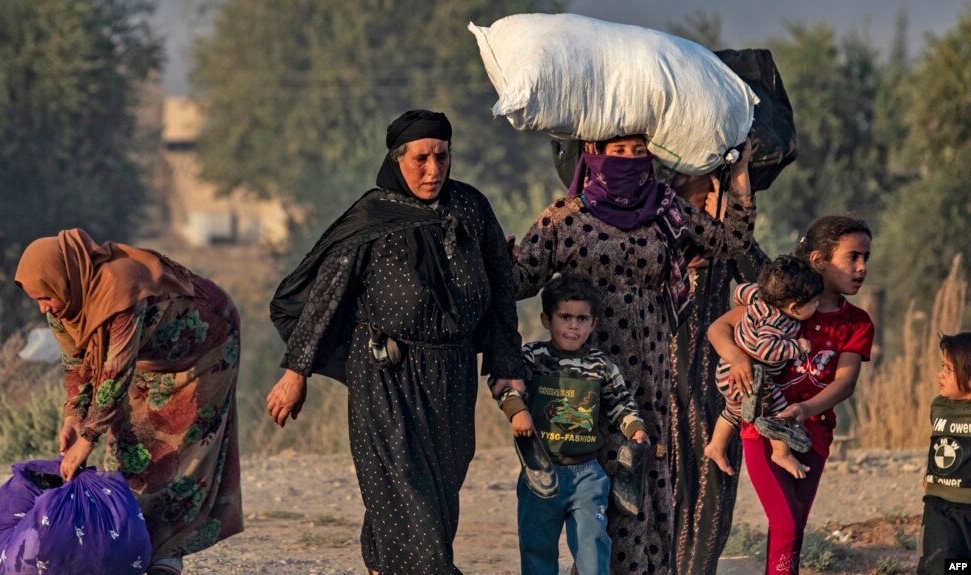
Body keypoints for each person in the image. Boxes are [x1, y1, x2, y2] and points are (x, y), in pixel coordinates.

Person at [267, 109, 524, 575]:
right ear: (397, 158)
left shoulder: (470, 206)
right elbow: (326, 297)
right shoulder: (371, 217)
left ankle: (383, 567)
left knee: (440, 495)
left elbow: (500, 287)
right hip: (386, 376)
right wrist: (294, 373)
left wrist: (507, 363)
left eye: (442, 157)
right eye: (421, 158)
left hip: (454, 372)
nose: (433, 170)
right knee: (406, 489)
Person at [510, 133, 756, 574]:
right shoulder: (565, 218)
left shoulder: (666, 209)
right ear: (593, 155)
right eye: (618, 152)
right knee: (595, 484)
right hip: (586, 378)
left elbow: (729, 242)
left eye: (639, 152)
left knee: (643, 474)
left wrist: (739, 174)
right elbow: (520, 280)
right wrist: (492, 254)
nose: (629, 161)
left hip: (651, 369)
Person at [14, 229, 243, 575]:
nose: (43, 307)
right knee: (126, 447)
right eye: (37, 299)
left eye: (45, 297)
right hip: (150, 358)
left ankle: (167, 556)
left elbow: (116, 372)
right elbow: (76, 362)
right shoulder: (64, 300)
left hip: (205, 348)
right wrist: (74, 416)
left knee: (176, 451)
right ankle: (135, 547)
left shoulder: (121, 290)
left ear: (63, 279)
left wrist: (87, 440)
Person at [707, 214, 874, 575]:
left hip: (813, 432)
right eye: (852, 257)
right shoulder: (782, 301)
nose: (861, 267)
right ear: (818, 261)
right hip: (764, 427)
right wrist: (737, 359)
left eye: (866, 258)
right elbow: (718, 328)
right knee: (785, 523)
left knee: (794, 525)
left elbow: (844, 384)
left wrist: (803, 409)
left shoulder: (857, 322)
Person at [493, 273, 648, 575]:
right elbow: (503, 383)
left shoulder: (601, 366)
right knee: (536, 548)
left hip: (587, 474)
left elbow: (620, 402)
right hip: (539, 471)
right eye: (565, 317)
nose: (573, 326)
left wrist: (635, 429)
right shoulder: (532, 357)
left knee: (593, 546)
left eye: (582, 318)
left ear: (594, 323)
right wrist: (517, 411)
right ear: (547, 319)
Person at [667, 172, 768, 575]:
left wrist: (733, 225)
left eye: (717, 191)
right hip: (658, 386)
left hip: (716, 389)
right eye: (704, 191)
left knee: (713, 491)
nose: (712, 199)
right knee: (653, 494)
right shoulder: (652, 238)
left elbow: (771, 291)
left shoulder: (728, 249)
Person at [705, 255, 823, 479]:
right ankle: (781, 453)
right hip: (751, 375)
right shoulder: (777, 320)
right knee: (778, 411)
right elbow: (766, 349)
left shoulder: (759, 298)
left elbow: (740, 291)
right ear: (794, 307)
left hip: (727, 371)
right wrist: (796, 346)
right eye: (814, 303)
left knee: (732, 410)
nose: (817, 306)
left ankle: (716, 446)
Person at [918, 332, 971, 574]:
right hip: (940, 506)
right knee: (940, 565)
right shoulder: (938, 406)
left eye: (949, 369)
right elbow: (940, 444)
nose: (941, 374)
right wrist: (932, 476)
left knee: (961, 567)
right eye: (942, 366)